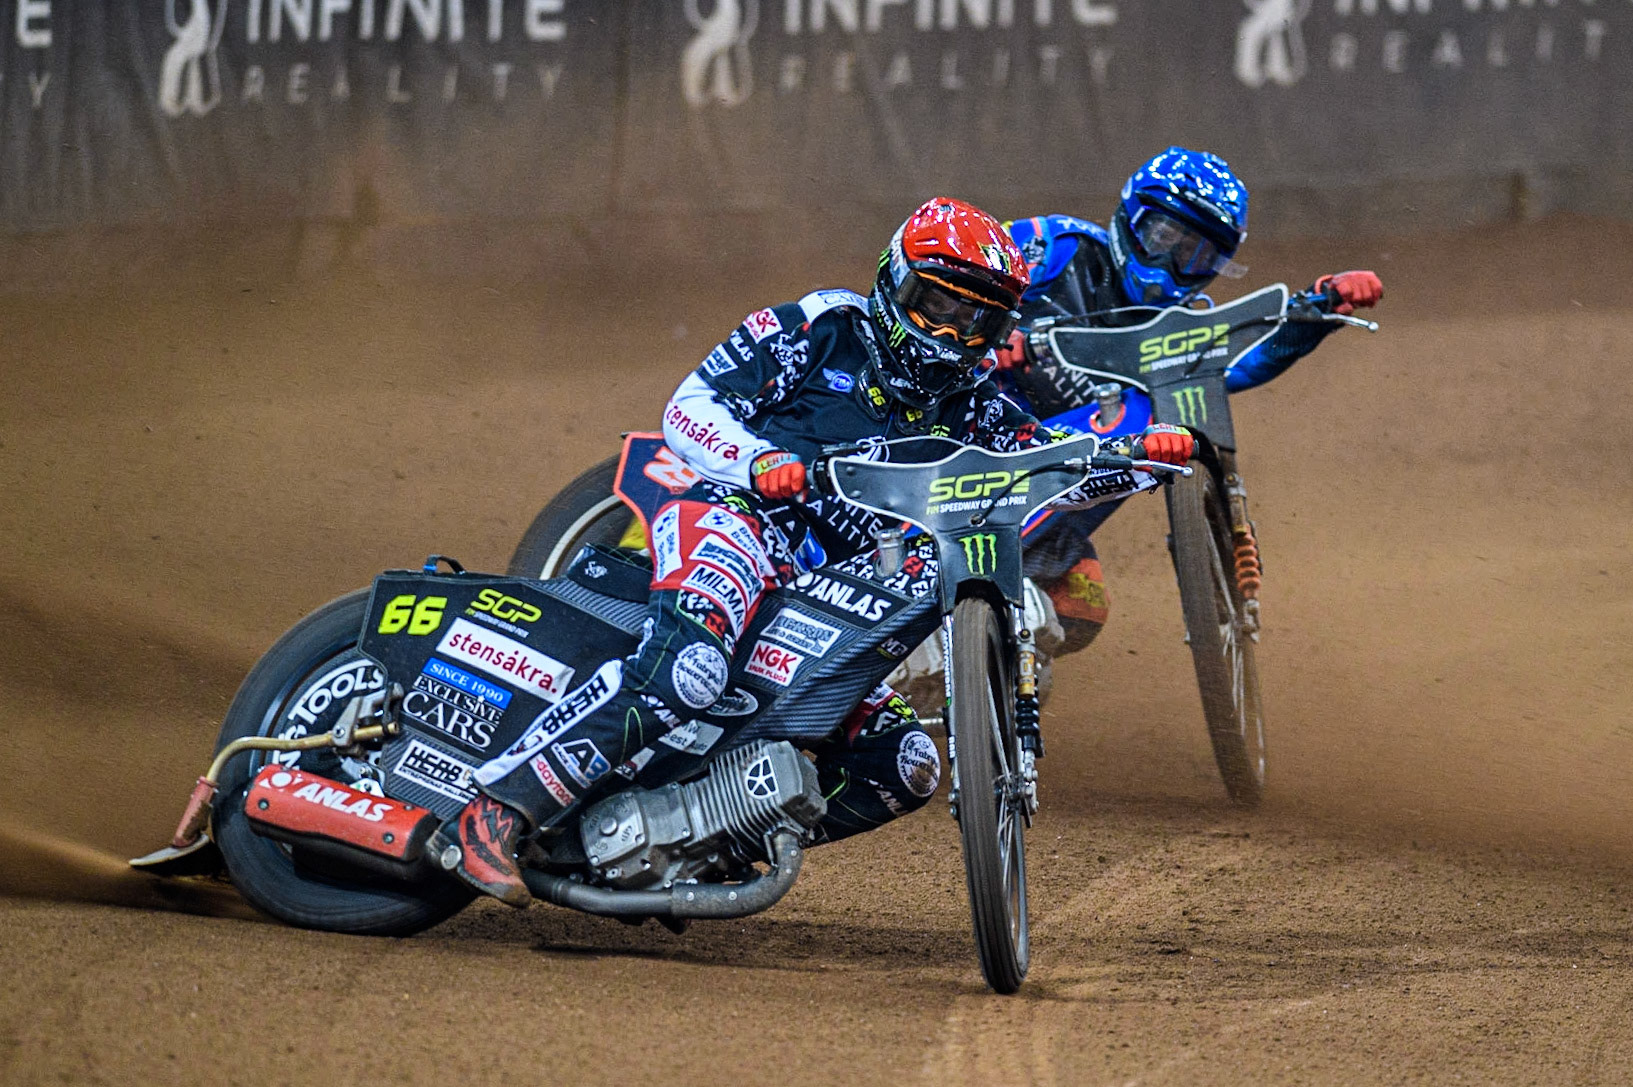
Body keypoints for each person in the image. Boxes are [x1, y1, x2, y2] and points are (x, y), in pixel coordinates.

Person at [430, 197, 1196, 906]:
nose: (952, 336)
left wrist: (1135, 453)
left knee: (907, 766)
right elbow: (690, 407)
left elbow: (1045, 466)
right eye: (939, 306)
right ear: (896, 284)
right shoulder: (820, 326)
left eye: (978, 323)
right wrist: (759, 463)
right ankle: (498, 807)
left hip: (827, 590)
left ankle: (691, 842)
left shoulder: (973, 405)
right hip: (736, 520)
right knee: (689, 672)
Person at [996, 146, 1383, 654]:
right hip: (964, 427)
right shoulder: (1055, 246)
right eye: (1164, 237)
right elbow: (953, 285)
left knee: (1081, 606)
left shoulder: (1180, 327)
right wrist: (991, 337)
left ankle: (987, 686)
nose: (1169, 264)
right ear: (1132, 218)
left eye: (1194, 255)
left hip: (1049, 476)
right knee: (1137, 412)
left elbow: (1238, 363)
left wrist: (1318, 311)